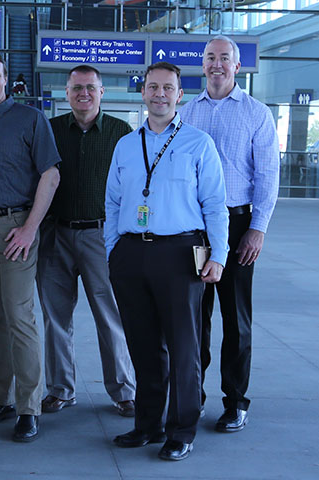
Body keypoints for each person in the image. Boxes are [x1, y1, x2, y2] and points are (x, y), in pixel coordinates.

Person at [106, 61, 228, 461]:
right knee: (142, 345)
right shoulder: (126, 144)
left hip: (180, 253)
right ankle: (148, 424)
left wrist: (220, 256)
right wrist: (113, 250)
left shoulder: (198, 143)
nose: (159, 94)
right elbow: (113, 202)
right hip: (131, 254)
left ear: (180, 95)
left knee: (183, 346)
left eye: (168, 88)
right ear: (142, 92)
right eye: (152, 87)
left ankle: (182, 429)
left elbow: (215, 205)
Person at [179, 35, 280, 433]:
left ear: (238, 67)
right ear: (202, 65)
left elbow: (268, 177)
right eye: (210, 58)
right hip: (195, 230)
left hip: (238, 226)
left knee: (235, 319)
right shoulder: (186, 113)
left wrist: (257, 229)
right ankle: (192, 397)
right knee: (193, 318)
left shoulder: (257, 114)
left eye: (225, 58)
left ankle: (235, 401)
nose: (217, 64)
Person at [0, 51, 61, 443]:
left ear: (7, 80)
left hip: (16, 227)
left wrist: (29, 228)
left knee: (20, 316)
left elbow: (51, 175)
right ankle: (0, 397)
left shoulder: (30, 119)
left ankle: (28, 407)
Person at [36, 65, 136, 417]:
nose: (84, 94)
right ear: (66, 93)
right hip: (55, 235)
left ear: (102, 91)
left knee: (110, 316)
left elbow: (133, 188)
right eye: (77, 88)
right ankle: (61, 389)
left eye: (90, 88)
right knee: (55, 317)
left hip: (101, 236)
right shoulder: (49, 130)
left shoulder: (122, 133)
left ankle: (124, 390)